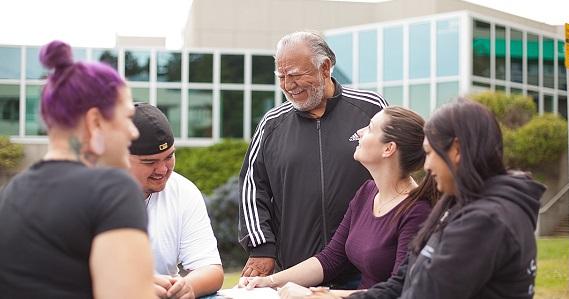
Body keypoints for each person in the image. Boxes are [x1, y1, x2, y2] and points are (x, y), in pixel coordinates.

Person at [340, 99, 546, 299]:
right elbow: (403, 283)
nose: (427, 166)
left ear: (456, 150)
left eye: (430, 153)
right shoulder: (457, 205)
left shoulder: (484, 222)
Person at [0, 40, 154, 298]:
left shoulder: (10, 193)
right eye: (127, 117)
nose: (134, 131)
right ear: (95, 121)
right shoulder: (113, 189)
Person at [238, 31, 387, 287]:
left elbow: (398, 172)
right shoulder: (271, 124)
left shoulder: (372, 109)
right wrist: (261, 246)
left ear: (325, 67)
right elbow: (252, 187)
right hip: (296, 272)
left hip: (363, 270)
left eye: (295, 75)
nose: (288, 85)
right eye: (281, 77)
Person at [239, 106, 437, 291]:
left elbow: (399, 290)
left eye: (370, 128)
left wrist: (320, 295)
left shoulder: (417, 211)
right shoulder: (367, 193)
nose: (359, 132)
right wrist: (267, 282)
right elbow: (331, 259)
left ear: (388, 149)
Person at [128, 103, 224, 299]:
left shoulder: (183, 191)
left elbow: (211, 269)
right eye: (150, 162)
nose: (163, 170)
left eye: (169, 156)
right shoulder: (90, 195)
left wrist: (187, 286)